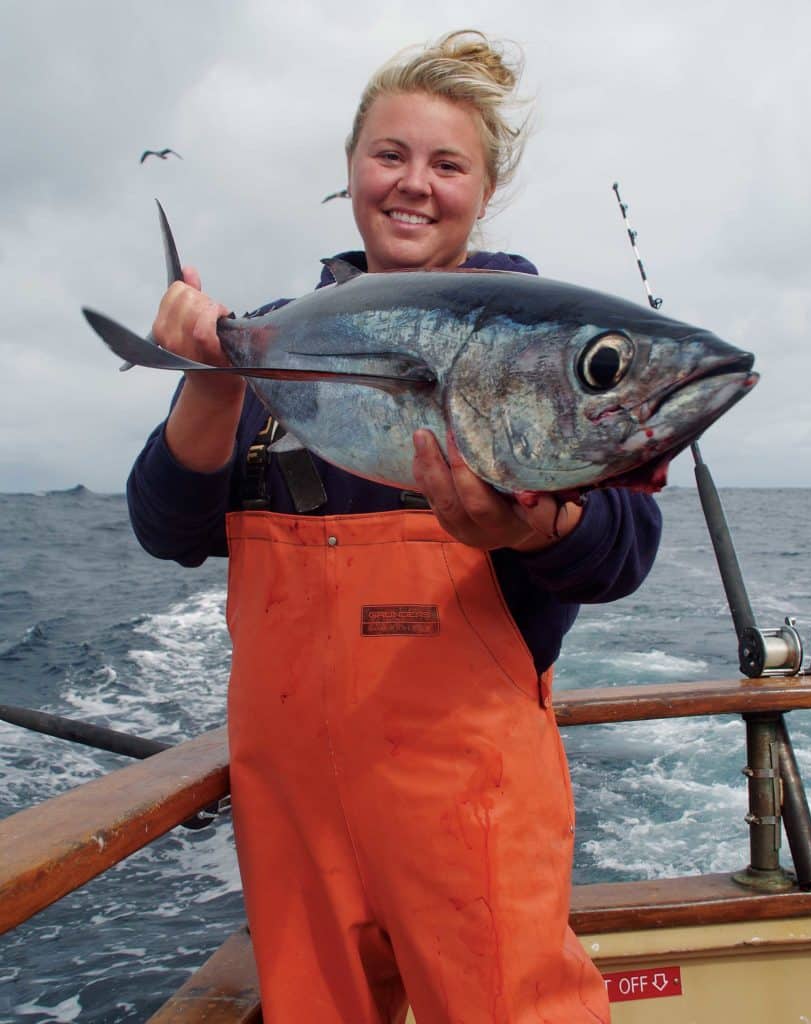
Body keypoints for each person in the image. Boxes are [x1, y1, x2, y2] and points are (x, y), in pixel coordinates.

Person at [128, 30, 662, 1024]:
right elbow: (166, 525)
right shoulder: (282, 339)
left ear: (483, 190)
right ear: (351, 170)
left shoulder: (546, 357)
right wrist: (209, 382)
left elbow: (625, 547)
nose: (413, 184)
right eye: (390, 154)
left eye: (446, 163)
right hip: (295, 827)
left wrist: (530, 531)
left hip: (472, 816)